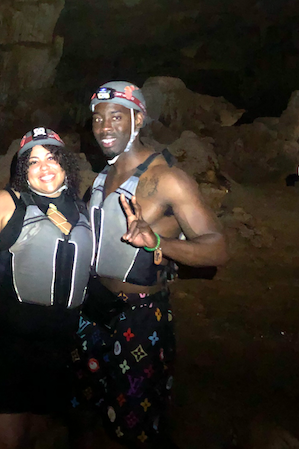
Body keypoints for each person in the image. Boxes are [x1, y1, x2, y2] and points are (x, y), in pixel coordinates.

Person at [71, 81, 229, 448]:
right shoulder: (100, 178)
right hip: (91, 310)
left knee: (136, 425)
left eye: (115, 117)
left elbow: (218, 248)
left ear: (137, 119)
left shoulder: (168, 179)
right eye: (97, 119)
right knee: (88, 410)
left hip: (139, 318)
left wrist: (160, 242)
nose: (104, 127)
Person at [0, 127, 92, 449]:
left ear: (65, 165)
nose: (44, 166)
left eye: (51, 158)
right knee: (6, 439)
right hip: (2, 335)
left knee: (40, 430)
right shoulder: (4, 203)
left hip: (58, 339)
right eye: (33, 162)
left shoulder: (83, 208)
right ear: (22, 171)